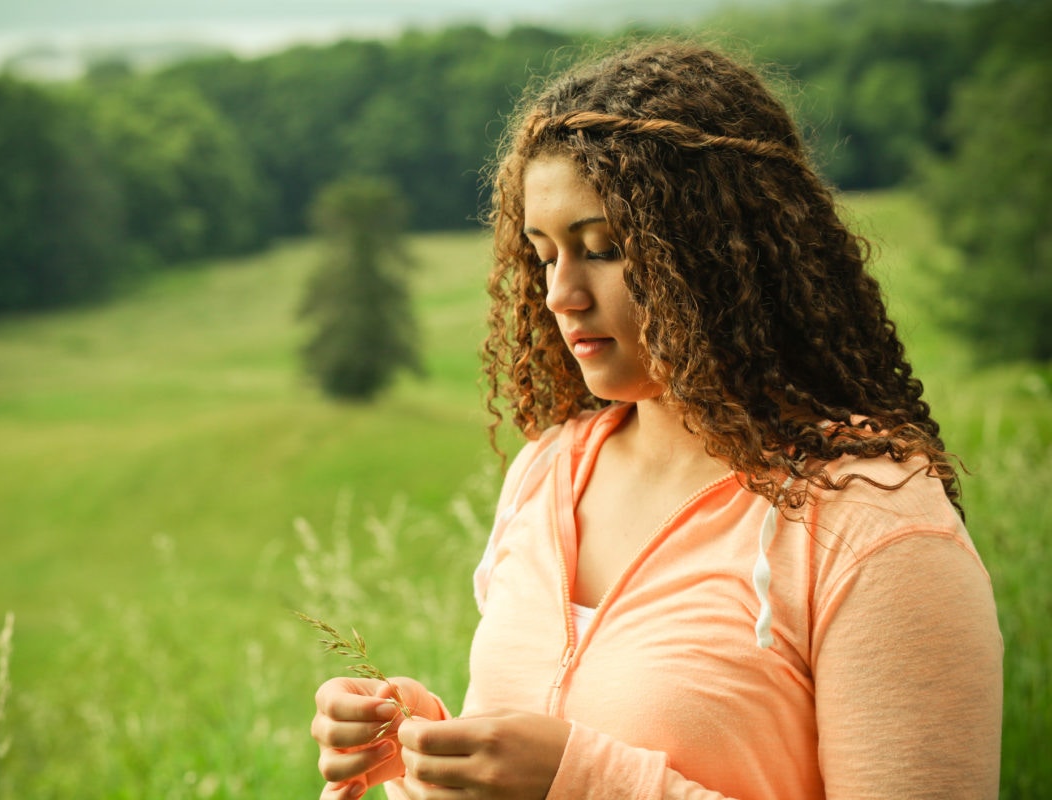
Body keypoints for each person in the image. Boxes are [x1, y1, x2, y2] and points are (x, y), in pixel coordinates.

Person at [309, 40, 1003, 799]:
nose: (559, 294)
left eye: (601, 249)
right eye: (543, 255)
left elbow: (576, 771)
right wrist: (428, 751)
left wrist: (584, 783)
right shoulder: (548, 475)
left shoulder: (873, 527)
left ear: (720, 252)